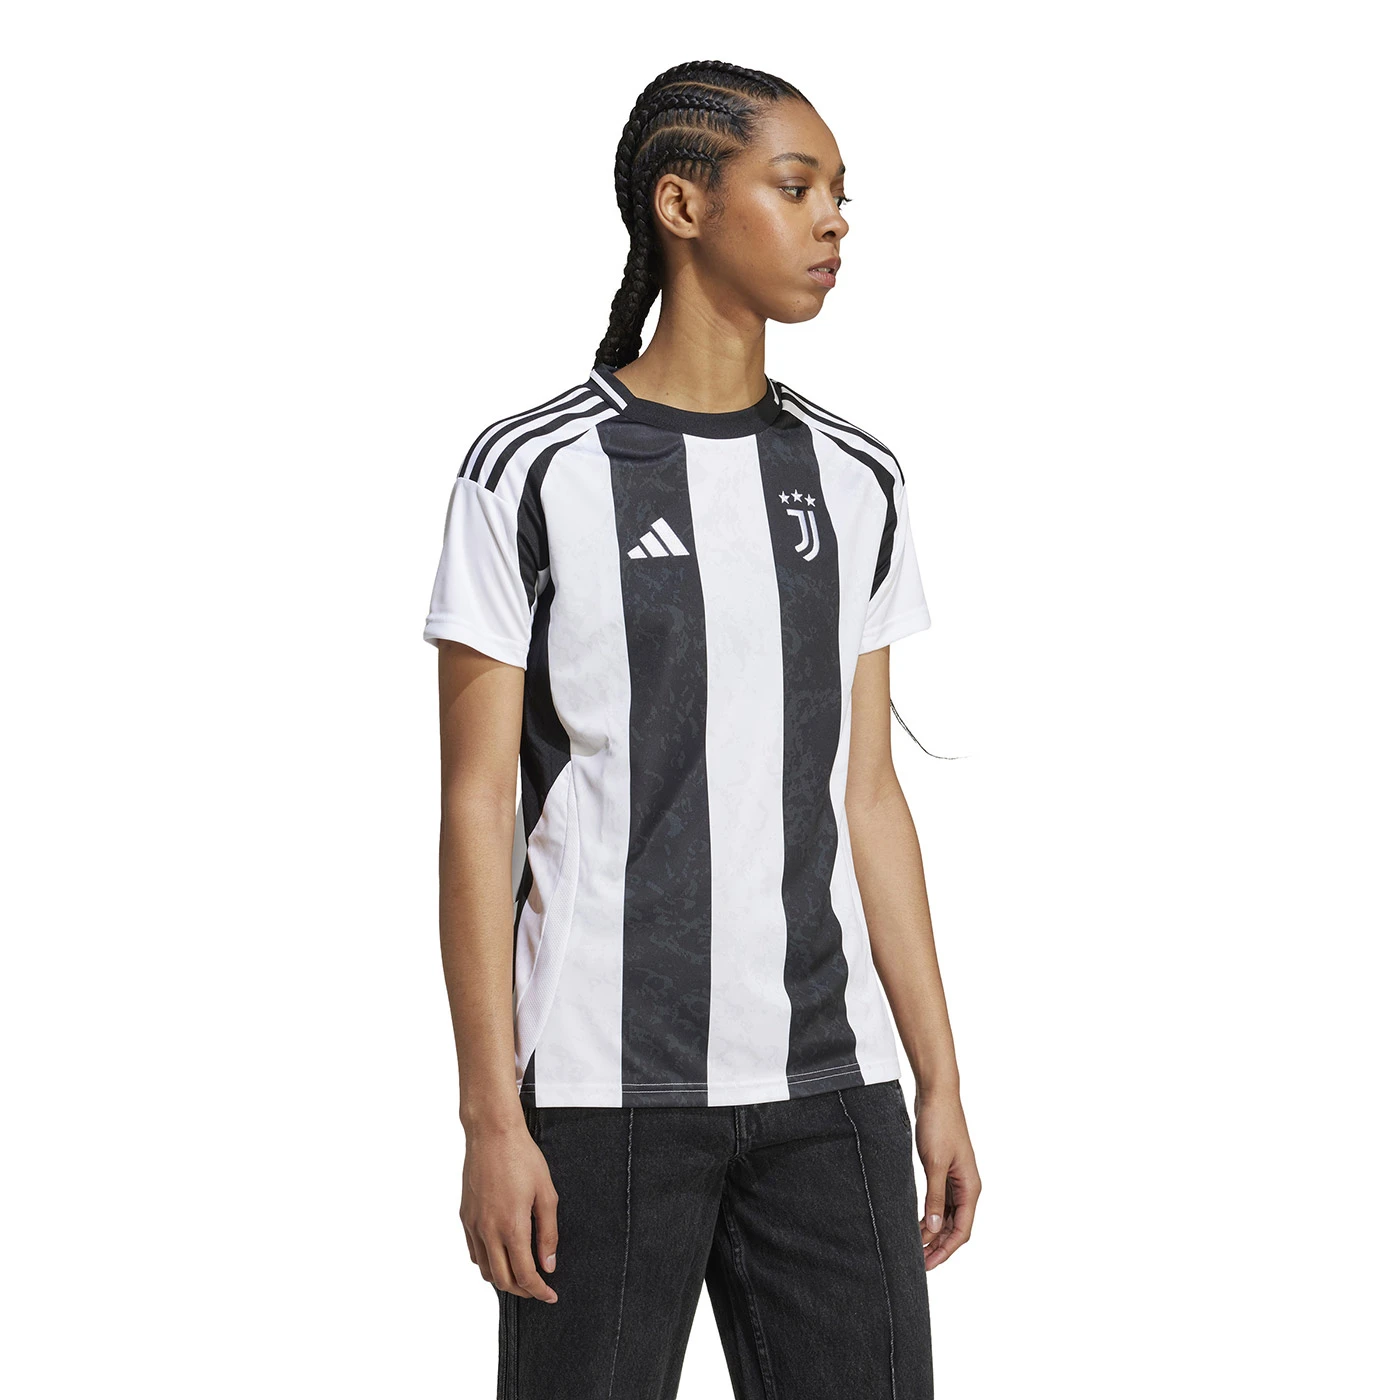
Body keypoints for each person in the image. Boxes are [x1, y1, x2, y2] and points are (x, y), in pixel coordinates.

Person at [423, 58, 980, 1400]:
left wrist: (940, 1080)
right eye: (795, 187)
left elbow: (869, 795)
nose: (832, 219)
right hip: (602, 1093)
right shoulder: (532, 472)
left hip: (828, 1085)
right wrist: (491, 1114)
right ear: (682, 205)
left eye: (840, 193)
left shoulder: (857, 479)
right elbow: (476, 805)